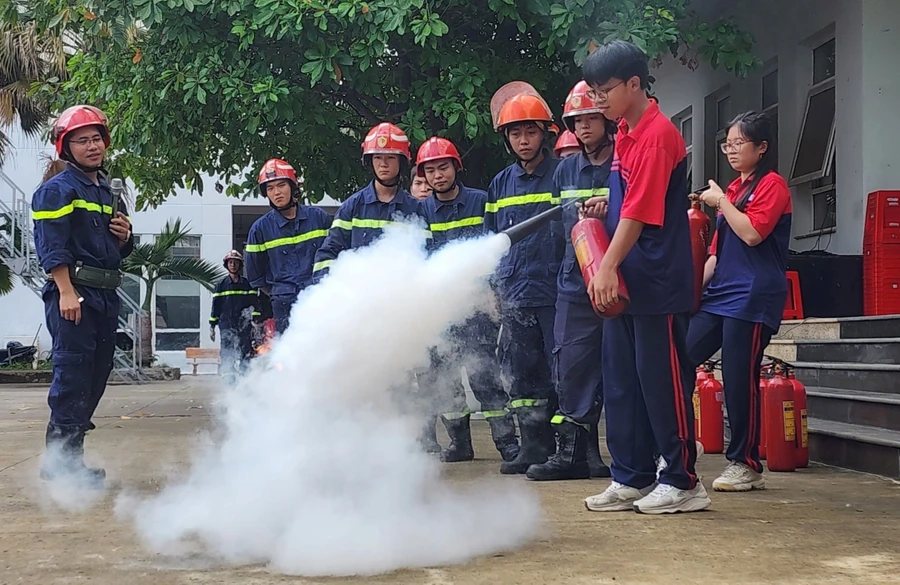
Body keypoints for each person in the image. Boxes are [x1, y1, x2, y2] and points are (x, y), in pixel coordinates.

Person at [579, 40, 710, 514]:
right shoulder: (626, 133)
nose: (598, 100)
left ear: (634, 84)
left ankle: (682, 480)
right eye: (593, 91)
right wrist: (604, 206)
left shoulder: (655, 135)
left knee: (662, 380)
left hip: (654, 279)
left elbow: (640, 213)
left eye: (604, 91)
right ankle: (630, 477)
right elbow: (627, 201)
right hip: (626, 282)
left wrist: (607, 264)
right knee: (621, 382)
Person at [687, 111, 791, 493]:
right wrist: (692, 292)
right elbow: (715, 254)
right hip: (721, 293)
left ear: (761, 148)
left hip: (753, 294)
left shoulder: (773, 186)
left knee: (737, 376)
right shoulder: (730, 191)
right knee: (680, 354)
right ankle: (684, 440)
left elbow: (751, 234)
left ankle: (744, 462)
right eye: (727, 144)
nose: (730, 150)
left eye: (738, 143)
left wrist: (720, 205)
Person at [32, 105, 134, 485]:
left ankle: (69, 459)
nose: (92, 146)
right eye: (82, 140)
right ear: (66, 146)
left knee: (96, 375)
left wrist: (125, 238)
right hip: (75, 294)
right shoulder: (55, 191)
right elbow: (51, 245)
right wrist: (65, 292)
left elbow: (111, 247)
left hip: (105, 295)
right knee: (73, 377)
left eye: (96, 138)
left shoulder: (105, 190)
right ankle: (60, 465)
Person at [526, 80, 615, 481]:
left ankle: (631, 454)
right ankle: (574, 455)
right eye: (576, 122)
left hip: (619, 277)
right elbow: (554, 232)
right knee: (570, 366)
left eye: (591, 119)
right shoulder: (565, 169)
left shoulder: (623, 160)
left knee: (622, 367)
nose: (583, 128)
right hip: (574, 281)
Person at [416, 136, 520, 463]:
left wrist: (494, 292)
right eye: (430, 170)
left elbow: (498, 249)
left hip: (477, 307)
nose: (438, 175)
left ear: (456, 168)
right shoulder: (420, 212)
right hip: (439, 311)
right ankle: (460, 444)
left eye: (443, 167)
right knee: (445, 383)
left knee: (485, 377)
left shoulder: (480, 202)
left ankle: (508, 445)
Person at [484, 91, 564, 475]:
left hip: (554, 291)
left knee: (560, 371)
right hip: (515, 293)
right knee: (522, 374)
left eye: (530, 132)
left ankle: (566, 450)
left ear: (544, 134)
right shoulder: (500, 184)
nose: (523, 141)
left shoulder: (561, 174)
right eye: (515, 134)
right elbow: (491, 241)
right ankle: (532, 447)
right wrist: (494, 289)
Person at [312, 122, 427, 276]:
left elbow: (427, 256)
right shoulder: (352, 207)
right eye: (378, 157)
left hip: (402, 296)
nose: (383, 164)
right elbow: (330, 252)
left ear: (402, 161)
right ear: (369, 161)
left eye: (390, 157)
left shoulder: (416, 209)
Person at [245, 158, 331, 334]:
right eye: (270, 188)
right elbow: (256, 276)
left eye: (281, 185)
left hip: (320, 298)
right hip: (283, 304)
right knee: (289, 356)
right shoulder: (260, 229)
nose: (276, 192)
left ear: (293, 186)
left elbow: (335, 255)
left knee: (325, 353)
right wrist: (280, 292)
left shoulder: (319, 218)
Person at [210, 250, 258, 378]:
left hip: (243, 324)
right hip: (226, 324)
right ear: (227, 265)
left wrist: (255, 321)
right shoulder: (220, 285)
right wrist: (212, 326)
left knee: (246, 350)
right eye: (230, 262)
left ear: (240, 265)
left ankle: (246, 376)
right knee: (227, 351)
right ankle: (229, 378)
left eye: (235, 262)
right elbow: (216, 306)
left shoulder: (247, 285)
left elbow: (254, 304)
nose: (233, 265)